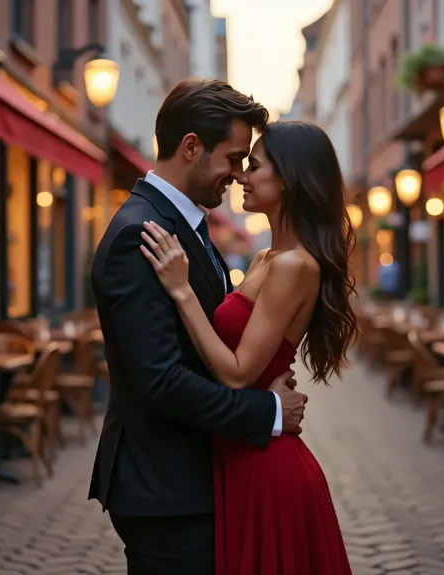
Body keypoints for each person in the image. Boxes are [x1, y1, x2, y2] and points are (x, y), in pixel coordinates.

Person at [88, 79, 308, 574]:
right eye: (232, 158)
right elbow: (161, 378)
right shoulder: (139, 234)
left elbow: (204, 341)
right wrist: (267, 412)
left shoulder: (185, 222)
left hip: (193, 479)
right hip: (166, 489)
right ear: (191, 147)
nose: (237, 174)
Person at [140, 119, 358, 574]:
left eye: (253, 166)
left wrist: (181, 292)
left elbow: (238, 371)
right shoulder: (264, 259)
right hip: (241, 448)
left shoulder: (296, 266)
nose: (240, 175)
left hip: (266, 465)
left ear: (288, 177)